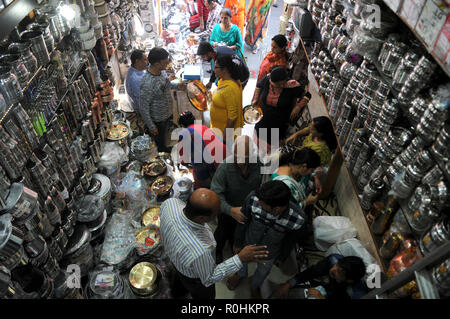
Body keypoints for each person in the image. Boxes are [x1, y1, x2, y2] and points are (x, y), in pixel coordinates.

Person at [160, 188, 269, 299]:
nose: (219, 212)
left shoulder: (170, 204)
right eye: (217, 212)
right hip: (195, 279)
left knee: (181, 282)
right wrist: (240, 258)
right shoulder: (200, 250)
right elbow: (208, 279)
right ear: (201, 218)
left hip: (176, 260)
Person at [227, 180, 306, 298]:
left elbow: (291, 240)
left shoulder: (298, 218)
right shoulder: (253, 198)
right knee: (241, 260)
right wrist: (238, 242)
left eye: (262, 202)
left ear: (277, 209)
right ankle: (240, 274)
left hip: (270, 251)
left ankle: (255, 286)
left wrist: (282, 256)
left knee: (263, 272)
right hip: (248, 242)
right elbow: (242, 220)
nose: (258, 201)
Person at [211, 135, 262, 264]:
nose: (239, 161)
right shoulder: (225, 167)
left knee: (238, 234)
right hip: (228, 211)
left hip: (247, 211)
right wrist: (230, 210)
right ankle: (218, 250)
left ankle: (235, 246)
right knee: (222, 233)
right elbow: (215, 194)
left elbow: (264, 185)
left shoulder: (259, 164)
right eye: (236, 156)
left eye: (244, 158)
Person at [252, 66, 311, 152]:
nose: (281, 86)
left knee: (272, 145)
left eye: (281, 83)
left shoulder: (292, 85)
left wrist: (298, 107)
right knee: (259, 141)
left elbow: (308, 95)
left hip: (279, 121)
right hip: (263, 118)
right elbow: (259, 86)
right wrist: (256, 99)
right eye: (275, 84)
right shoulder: (268, 79)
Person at [139, 47, 186, 153]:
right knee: (158, 143)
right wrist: (151, 126)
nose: (167, 64)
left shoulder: (161, 72)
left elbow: (166, 86)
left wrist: (178, 86)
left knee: (164, 137)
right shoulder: (147, 83)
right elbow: (143, 107)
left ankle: (164, 147)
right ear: (156, 64)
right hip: (158, 121)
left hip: (166, 115)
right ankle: (162, 154)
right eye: (165, 62)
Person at [273, 254, 368, 299]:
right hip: (322, 287)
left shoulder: (354, 293)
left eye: (339, 272)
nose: (334, 270)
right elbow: (311, 272)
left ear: (349, 280)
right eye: (337, 265)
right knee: (286, 292)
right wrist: (288, 284)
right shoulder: (333, 260)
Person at [177, 111, 229, 188]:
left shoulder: (184, 134)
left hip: (212, 163)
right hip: (224, 156)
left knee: (205, 184)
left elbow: (184, 160)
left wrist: (185, 164)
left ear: (182, 125)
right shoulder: (203, 127)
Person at [210, 54, 244, 142]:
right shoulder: (224, 81)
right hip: (218, 129)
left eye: (216, 67)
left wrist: (225, 138)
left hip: (223, 134)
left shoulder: (229, 89)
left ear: (224, 69)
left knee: (224, 155)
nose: (214, 70)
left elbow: (232, 116)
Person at [124, 49, 148, 135]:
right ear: (137, 61)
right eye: (145, 59)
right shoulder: (134, 79)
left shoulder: (137, 69)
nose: (147, 62)